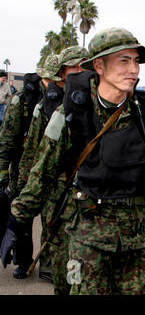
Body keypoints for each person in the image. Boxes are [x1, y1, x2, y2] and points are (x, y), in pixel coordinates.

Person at [1, 27, 145, 295]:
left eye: (136, 61)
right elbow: (43, 171)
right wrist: (16, 221)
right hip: (88, 241)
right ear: (98, 65)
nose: (133, 69)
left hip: (138, 243)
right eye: (124, 60)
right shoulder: (71, 113)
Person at [15, 46, 88, 293]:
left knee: (83, 275)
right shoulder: (50, 108)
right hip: (58, 196)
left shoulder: (103, 103)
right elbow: (36, 154)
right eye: (76, 68)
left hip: (92, 206)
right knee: (63, 264)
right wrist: (22, 192)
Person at [0, 56, 57, 279]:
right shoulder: (21, 100)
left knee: (51, 219)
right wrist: (3, 172)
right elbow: (6, 139)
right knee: (23, 219)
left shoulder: (60, 98)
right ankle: (23, 261)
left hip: (49, 168)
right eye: (49, 77)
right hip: (24, 167)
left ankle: (48, 267)